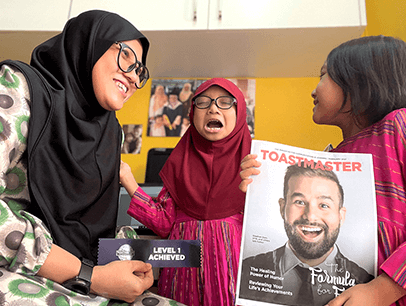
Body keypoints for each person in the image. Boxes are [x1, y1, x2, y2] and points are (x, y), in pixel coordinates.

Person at [0, 10, 185, 305]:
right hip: (19, 270)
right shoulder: (18, 90)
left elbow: (93, 230)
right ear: (89, 44)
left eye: (140, 71)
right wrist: (92, 276)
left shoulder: (112, 134)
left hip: (90, 279)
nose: (134, 76)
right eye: (126, 57)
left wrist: (131, 261)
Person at [240, 35, 406, 306]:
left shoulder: (399, 127)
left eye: (324, 75)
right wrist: (258, 184)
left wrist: (382, 290)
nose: (314, 90)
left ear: (359, 80)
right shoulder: (330, 160)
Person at [120, 78, 252, 306]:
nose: (213, 108)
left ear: (239, 113)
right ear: (192, 113)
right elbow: (163, 223)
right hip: (181, 277)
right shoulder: (178, 164)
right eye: (203, 102)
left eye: (224, 102)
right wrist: (128, 180)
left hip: (232, 276)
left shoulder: (255, 166)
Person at [239, 163, 373, 305]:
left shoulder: (366, 284)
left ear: (341, 215)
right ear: (282, 207)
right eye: (300, 202)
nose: (310, 216)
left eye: (324, 205)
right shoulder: (245, 271)